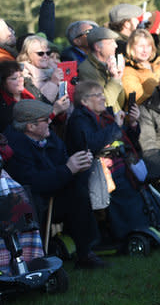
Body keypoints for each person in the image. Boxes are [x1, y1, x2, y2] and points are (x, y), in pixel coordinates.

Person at [3, 99, 105, 268]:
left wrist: (79, 166)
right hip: (28, 203)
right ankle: (36, 258)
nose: (50, 121)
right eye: (45, 119)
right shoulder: (16, 147)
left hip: (53, 194)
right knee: (34, 200)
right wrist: (68, 169)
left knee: (77, 192)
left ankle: (85, 253)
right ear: (31, 127)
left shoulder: (49, 138)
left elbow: (63, 163)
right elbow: (33, 182)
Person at [65, 80, 147, 244]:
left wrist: (132, 123)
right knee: (123, 190)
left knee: (136, 189)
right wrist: (116, 126)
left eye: (102, 94)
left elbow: (129, 140)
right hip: (95, 172)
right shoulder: (79, 119)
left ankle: (140, 232)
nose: (103, 98)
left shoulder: (105, 116)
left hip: (119, 165)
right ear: (84, 101)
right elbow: (92, 144)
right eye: (97, 95)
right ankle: (129, 237)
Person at [0, 61, 68, 132]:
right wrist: (55, 111)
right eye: (14, 78)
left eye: (21, 76)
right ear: (2, 82)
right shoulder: (3, 106)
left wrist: (61, 111)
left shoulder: (30, 89)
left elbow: (52, 114)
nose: (20, 80)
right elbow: (20, 131)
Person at [78, 27, 126, 112]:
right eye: (110, 42)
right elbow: (103, 103)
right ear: (97, 47)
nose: (116, 45)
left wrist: (119, 77)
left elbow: (120, 102)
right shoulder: (86, 70)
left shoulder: (109, 65)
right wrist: (115, 79)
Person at [122, 29, 160, 105]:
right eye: (141, 46)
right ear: (131, 47)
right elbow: (138, 98)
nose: (145, 50)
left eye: (148, 46)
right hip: (145, 113)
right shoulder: (128, 71)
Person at [16, 35, 66, 105]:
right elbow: (40, 104)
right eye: (40, 53)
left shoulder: (51, 71)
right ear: (28, 54)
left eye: (48, 53)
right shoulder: (22, 75)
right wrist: (53, 82)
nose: (45, 56)